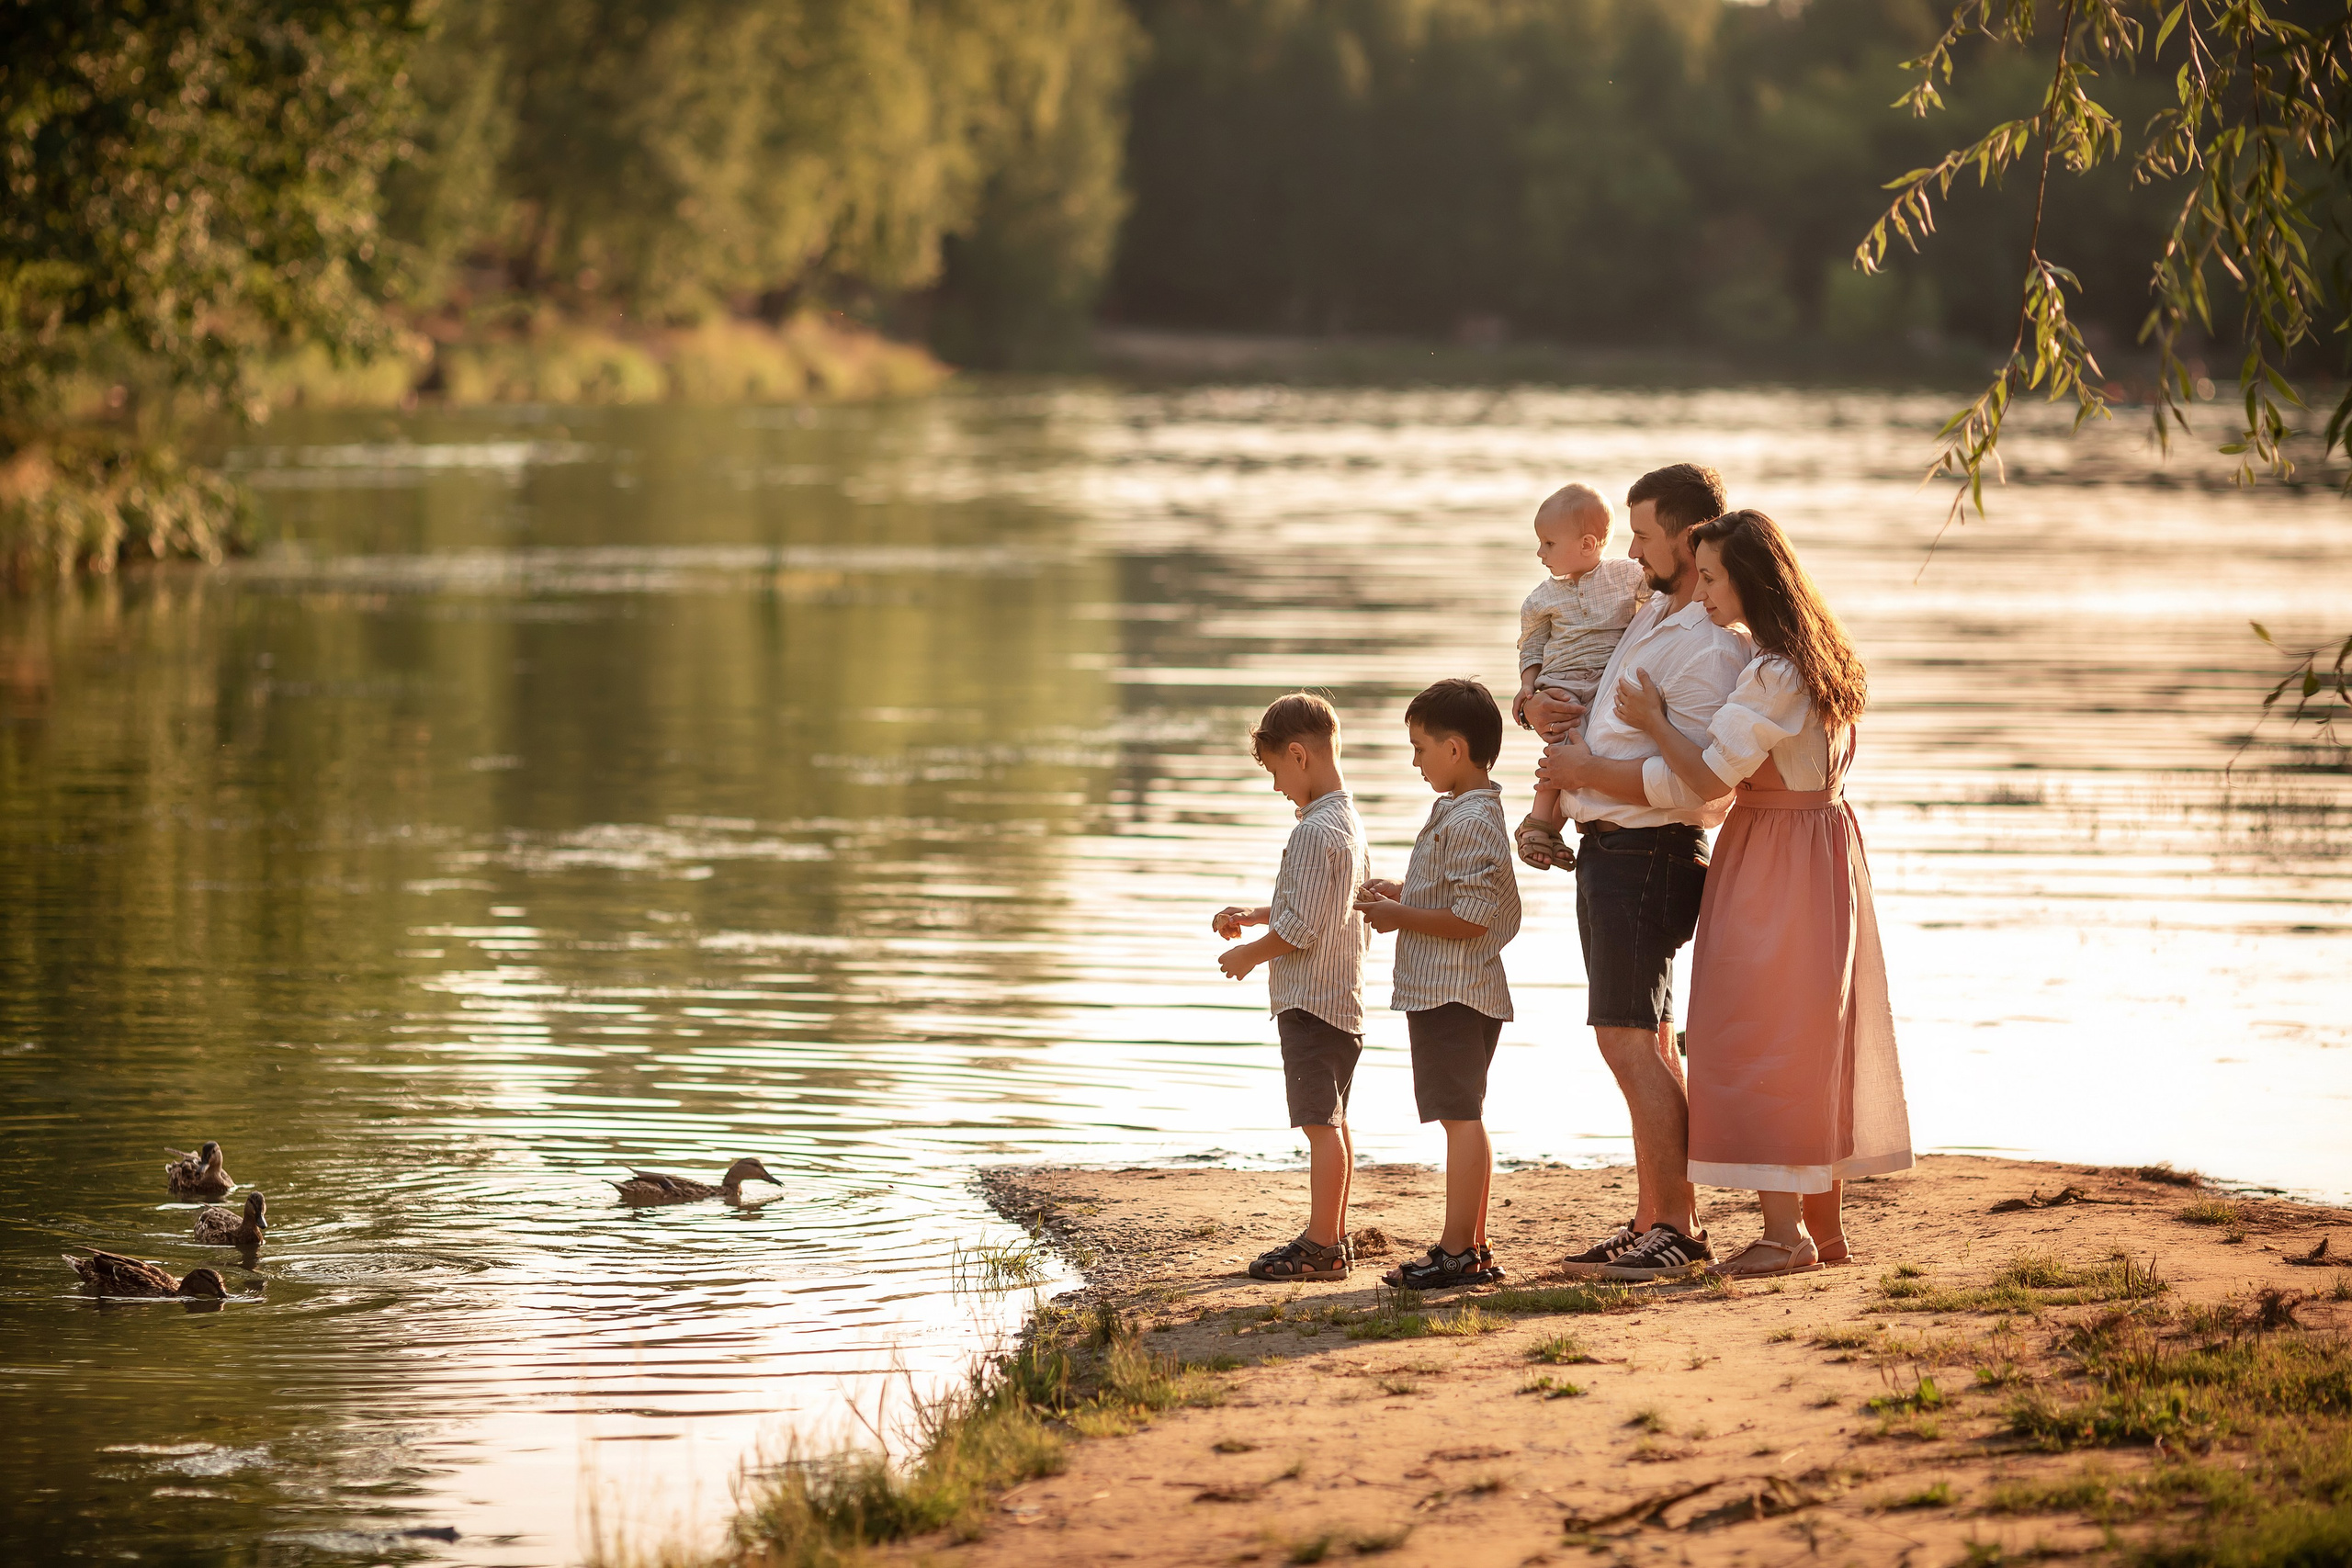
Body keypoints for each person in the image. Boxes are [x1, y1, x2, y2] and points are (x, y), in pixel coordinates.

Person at [1612, 509, 1914, 1276]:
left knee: (1756, 1033)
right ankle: (1824, 1229)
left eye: (1711, 575)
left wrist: (1651, 716)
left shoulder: (1776, 673)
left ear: (1751, 578)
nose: (1702, 588)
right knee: (1811, 1034)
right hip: (1822, 849)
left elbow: (1710, 775)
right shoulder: (1819, 658)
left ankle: (1785, 1236)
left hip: (1776, 856)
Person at [1528, 462, 1750, 1282]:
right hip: (1612, 847)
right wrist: (1534, 705)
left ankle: (1680, 1230)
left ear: (1688, 539)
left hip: (1649, 850)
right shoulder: (1652, 607)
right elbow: (1576, 664)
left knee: (1626, 1037)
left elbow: (1695, 783)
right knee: (1646, 1036)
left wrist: (1588, 767)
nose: (1631, 547)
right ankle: (1659, 1217)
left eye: (1645, 534)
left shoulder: (1710, 647)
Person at [1354, 679, 1521, 1290]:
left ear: (1455, 748)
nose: (1415, 759)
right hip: (1453, 989)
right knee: (1465, 1116)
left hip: (1454, 992)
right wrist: (1405, 894)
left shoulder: (1473, 816)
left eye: (1420, 747)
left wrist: (1400, 918)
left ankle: (1456, 1250)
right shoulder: (1461, 808)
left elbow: (1474, 915)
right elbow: (1455, 895)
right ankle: (1470, 1248)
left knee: (1460, 1118)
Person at [1214, 693, 1372, 1282]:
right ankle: (1333, 1235)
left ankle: (1322, 1245)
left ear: (1299, 755)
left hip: (1311, 1003)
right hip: (1343, 1001)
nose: (1278, 787)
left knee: (1318, 1125)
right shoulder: (1346, 821)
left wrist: (1251, 954)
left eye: (1277, 771)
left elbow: (1302, 927)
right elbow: (1321, 906)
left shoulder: (1312, 833)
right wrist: (1258, 915)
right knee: (1334, 1122)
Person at [1513, 484, 1649, 873]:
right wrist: (1528, 687)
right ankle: (1542, 819)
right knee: (1565, 734)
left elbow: (1660, 602)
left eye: (1549, 543)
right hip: (1565, 681)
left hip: (1609, 679)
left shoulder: (1629, 576)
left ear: (1588, 544)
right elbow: (1532, 646)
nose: (1540, 553)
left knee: (1592, 741)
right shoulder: (1541, 599)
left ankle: (1549, 825)